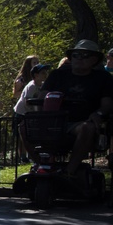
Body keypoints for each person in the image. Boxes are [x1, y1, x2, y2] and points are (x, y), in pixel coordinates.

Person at [40, 39, 113, 176]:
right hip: (54, 121)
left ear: (94, 59)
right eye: (76, 55)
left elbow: (107, 104)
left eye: (85, 56)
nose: (79, 59)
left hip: (80, 122)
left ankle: (69, 173)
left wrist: (98, 113)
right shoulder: (57, 75)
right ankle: (43, 166)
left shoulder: (103, 78)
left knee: (87, 127)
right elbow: (42, 96)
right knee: (24, 127)